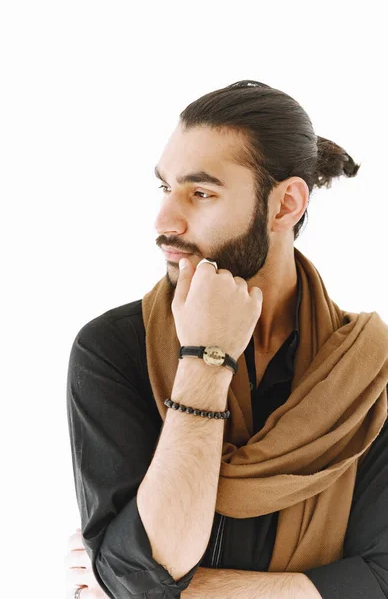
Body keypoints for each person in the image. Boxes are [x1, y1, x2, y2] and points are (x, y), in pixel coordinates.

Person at [66, 80, 388, 599]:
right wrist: (204, 362)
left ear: (285, 205)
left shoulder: (368, 372)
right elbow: (150, 564)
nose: (164, 221)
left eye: (201, 193)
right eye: (164, 188)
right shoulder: (113, 351)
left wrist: (171, 591)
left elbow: (380, 581)